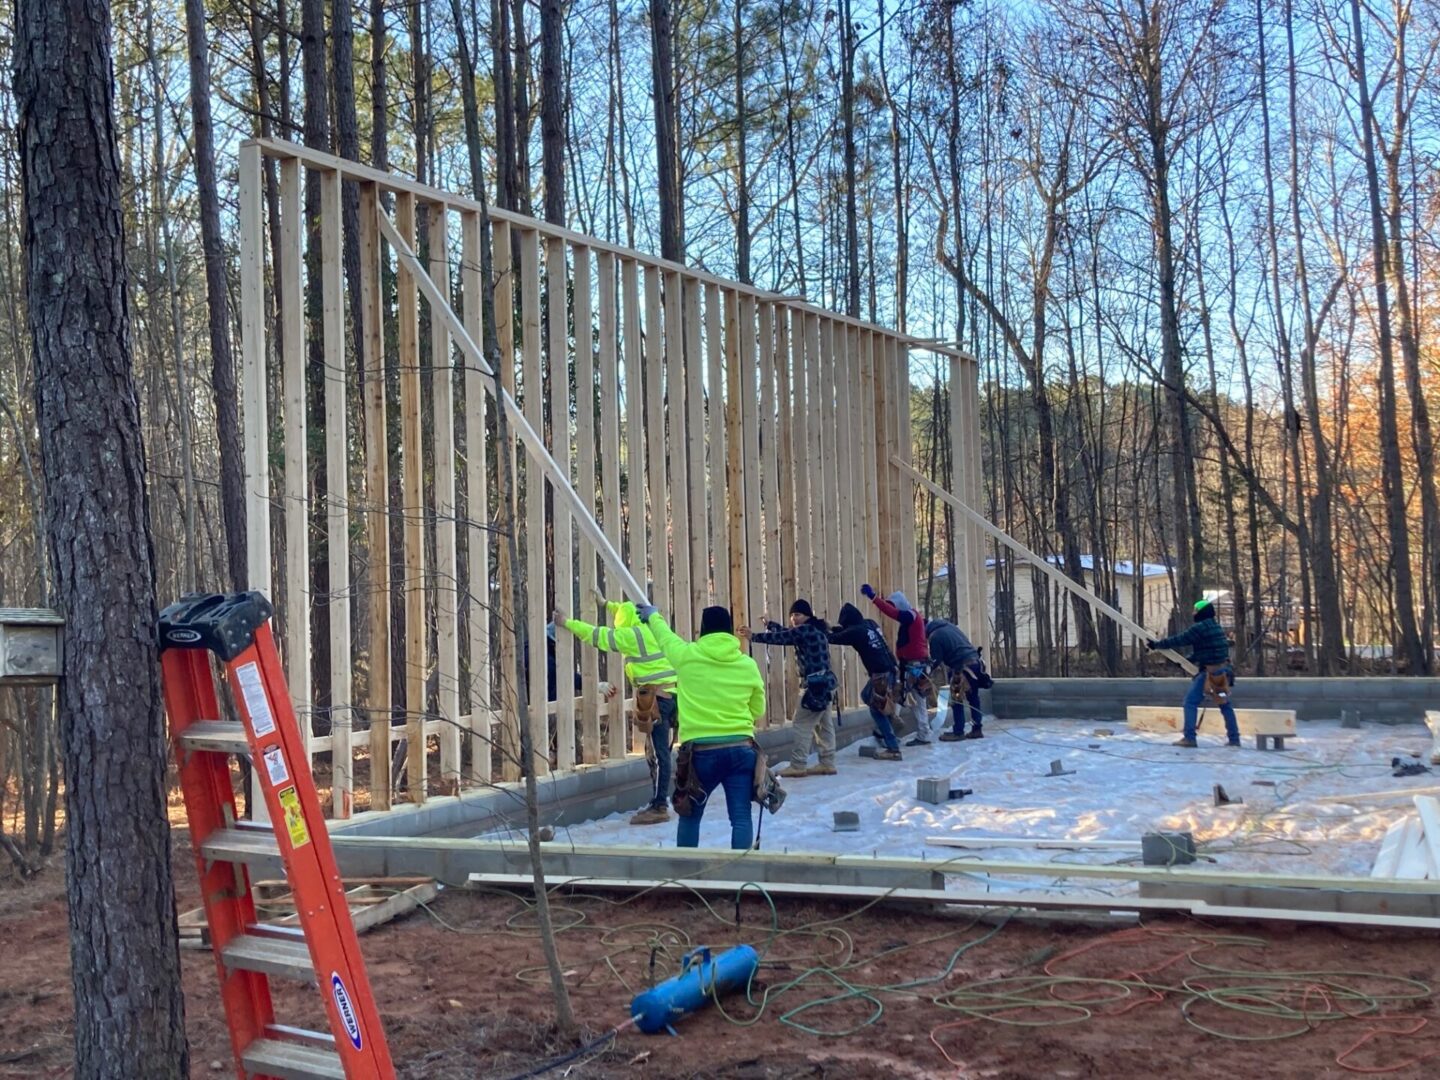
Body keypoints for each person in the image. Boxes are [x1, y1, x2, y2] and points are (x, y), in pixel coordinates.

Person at [641, 604, 767, 850]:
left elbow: (665, 637)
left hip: (700, 754)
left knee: (690, 815)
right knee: (741, 817)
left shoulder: (687, 656)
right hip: (740, 750)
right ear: (730, 632)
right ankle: (741, 879)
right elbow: (757, 710)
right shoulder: (747, 664)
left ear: (702, 631)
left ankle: (687, 876)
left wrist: (653, 615)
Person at [556, 594, 677, 825]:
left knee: (660, 755)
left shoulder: (632, 635)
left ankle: (660, 805)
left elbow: (597, 635)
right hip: (675, 695)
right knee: (675, 749)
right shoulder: (654, 626)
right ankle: (678, 797)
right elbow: (624, 609)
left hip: (658, 700)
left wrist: (567, 622)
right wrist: (606, 604)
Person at [741, 599, 838, 779]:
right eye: (792, 615)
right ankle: (827, 762)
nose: (794, 618)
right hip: (827, 684)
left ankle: (798, 765)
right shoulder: (816, 629)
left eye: (798, 615)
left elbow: (783, 638)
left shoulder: (805, 630)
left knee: (801, 724)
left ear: (807, 616)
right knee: (824, 724)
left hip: (814, 687)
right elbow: (789, 633)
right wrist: (770, 624)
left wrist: (753, 636)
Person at [1147, 599, 1240, 748]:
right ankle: (1234, 739)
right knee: (1225, 705)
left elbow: (1180, 639)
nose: (1193, 613)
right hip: (1221, 672)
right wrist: (1186, 660)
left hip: (1210, 673)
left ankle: (1189, 738)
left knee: (1190, 702)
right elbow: (1206, 649)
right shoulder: (1215, 627)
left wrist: (1156, 645)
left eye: (1195, 610)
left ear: (1201, 612)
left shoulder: (1200, 628)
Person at [829, 602, 904, 760]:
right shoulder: (870, 623)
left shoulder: (855, 632)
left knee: (876, 709)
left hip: (880, 675)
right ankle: (890, 724)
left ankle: (892, 747)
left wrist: (821, 630)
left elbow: (836, 638)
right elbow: (845, 632)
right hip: (891, 668)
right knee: (867, 696)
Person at [862, 585, 934, 745]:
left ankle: (887, 733)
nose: (893, 609)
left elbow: (892, 613)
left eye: (894, 605)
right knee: (915, 699)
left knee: (898, 696)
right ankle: (922, 734)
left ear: (900, 604)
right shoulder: (914, 618)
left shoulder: (909, 615)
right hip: (917, 665)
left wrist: (874, 598)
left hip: (913, 666)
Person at [926, 617, 992, 740]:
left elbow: (935, 660)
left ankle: (958, 732)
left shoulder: (935, 636)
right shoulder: (950, 627)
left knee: (957, 699)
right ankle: (977, 729)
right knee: (973, 699)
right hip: (975, 664)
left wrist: (925, 670)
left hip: (961, 669)